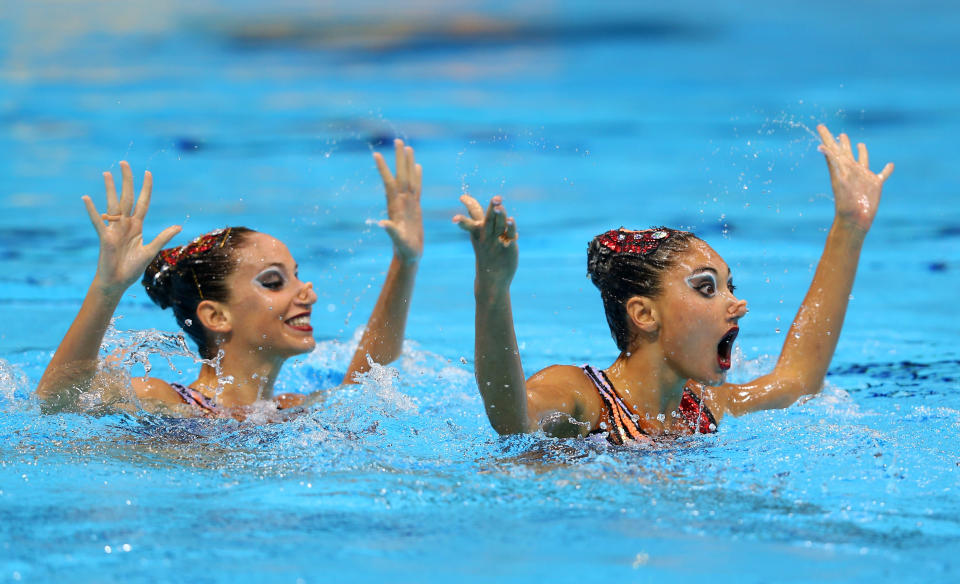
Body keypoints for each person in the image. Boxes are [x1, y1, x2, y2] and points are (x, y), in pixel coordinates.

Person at [453, 124, 893, 443]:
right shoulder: (580, 395)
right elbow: (512, 421)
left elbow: (798, 380)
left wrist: (849, 228)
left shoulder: (700, 408)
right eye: (707, 288)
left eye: (731, 288)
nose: (737, 305)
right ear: (644, 314)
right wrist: (492, 288)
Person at [36, 139, 423, 418]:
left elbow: (368, 384)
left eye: (296, 276)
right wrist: (108, 288)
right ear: (216, 316)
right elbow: (57, 402)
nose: (309, 293)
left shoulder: (289, 408)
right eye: (274, 282)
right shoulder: (167, 401)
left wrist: (404, 262)